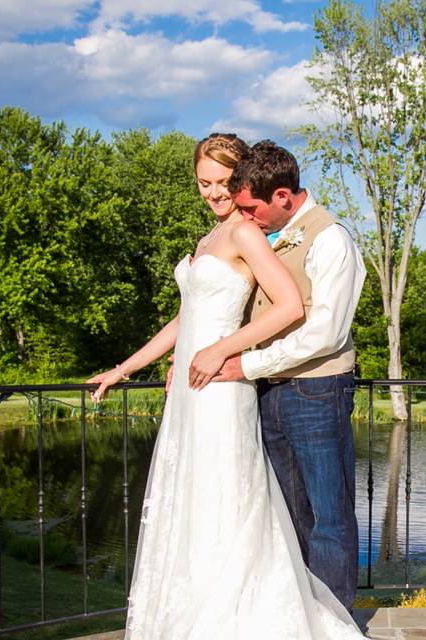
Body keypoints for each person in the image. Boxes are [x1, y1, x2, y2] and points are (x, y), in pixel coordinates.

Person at [88, 134, 365, 639]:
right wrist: (123, 369)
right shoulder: (206, 241)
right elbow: (185, 318)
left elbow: (292, 307)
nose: (213, 193)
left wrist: (221, 351)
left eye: (223, 183)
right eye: (204, 183)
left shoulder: (248, 234)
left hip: (228, 385)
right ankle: (196, 604)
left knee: (238, 498)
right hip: (195, 392)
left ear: (241, 182)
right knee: (199, 498)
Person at [210, 140, 366, 611]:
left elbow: (325, 332)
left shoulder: (332, 238)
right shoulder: (271, 234)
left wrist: (248, 364)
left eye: (251, 207)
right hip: (270, 395)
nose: (247, 218)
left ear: (282, 196)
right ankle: (302, 617)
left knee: (329, 517)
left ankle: (335, 621)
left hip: (317, 390)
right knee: (288, 514)